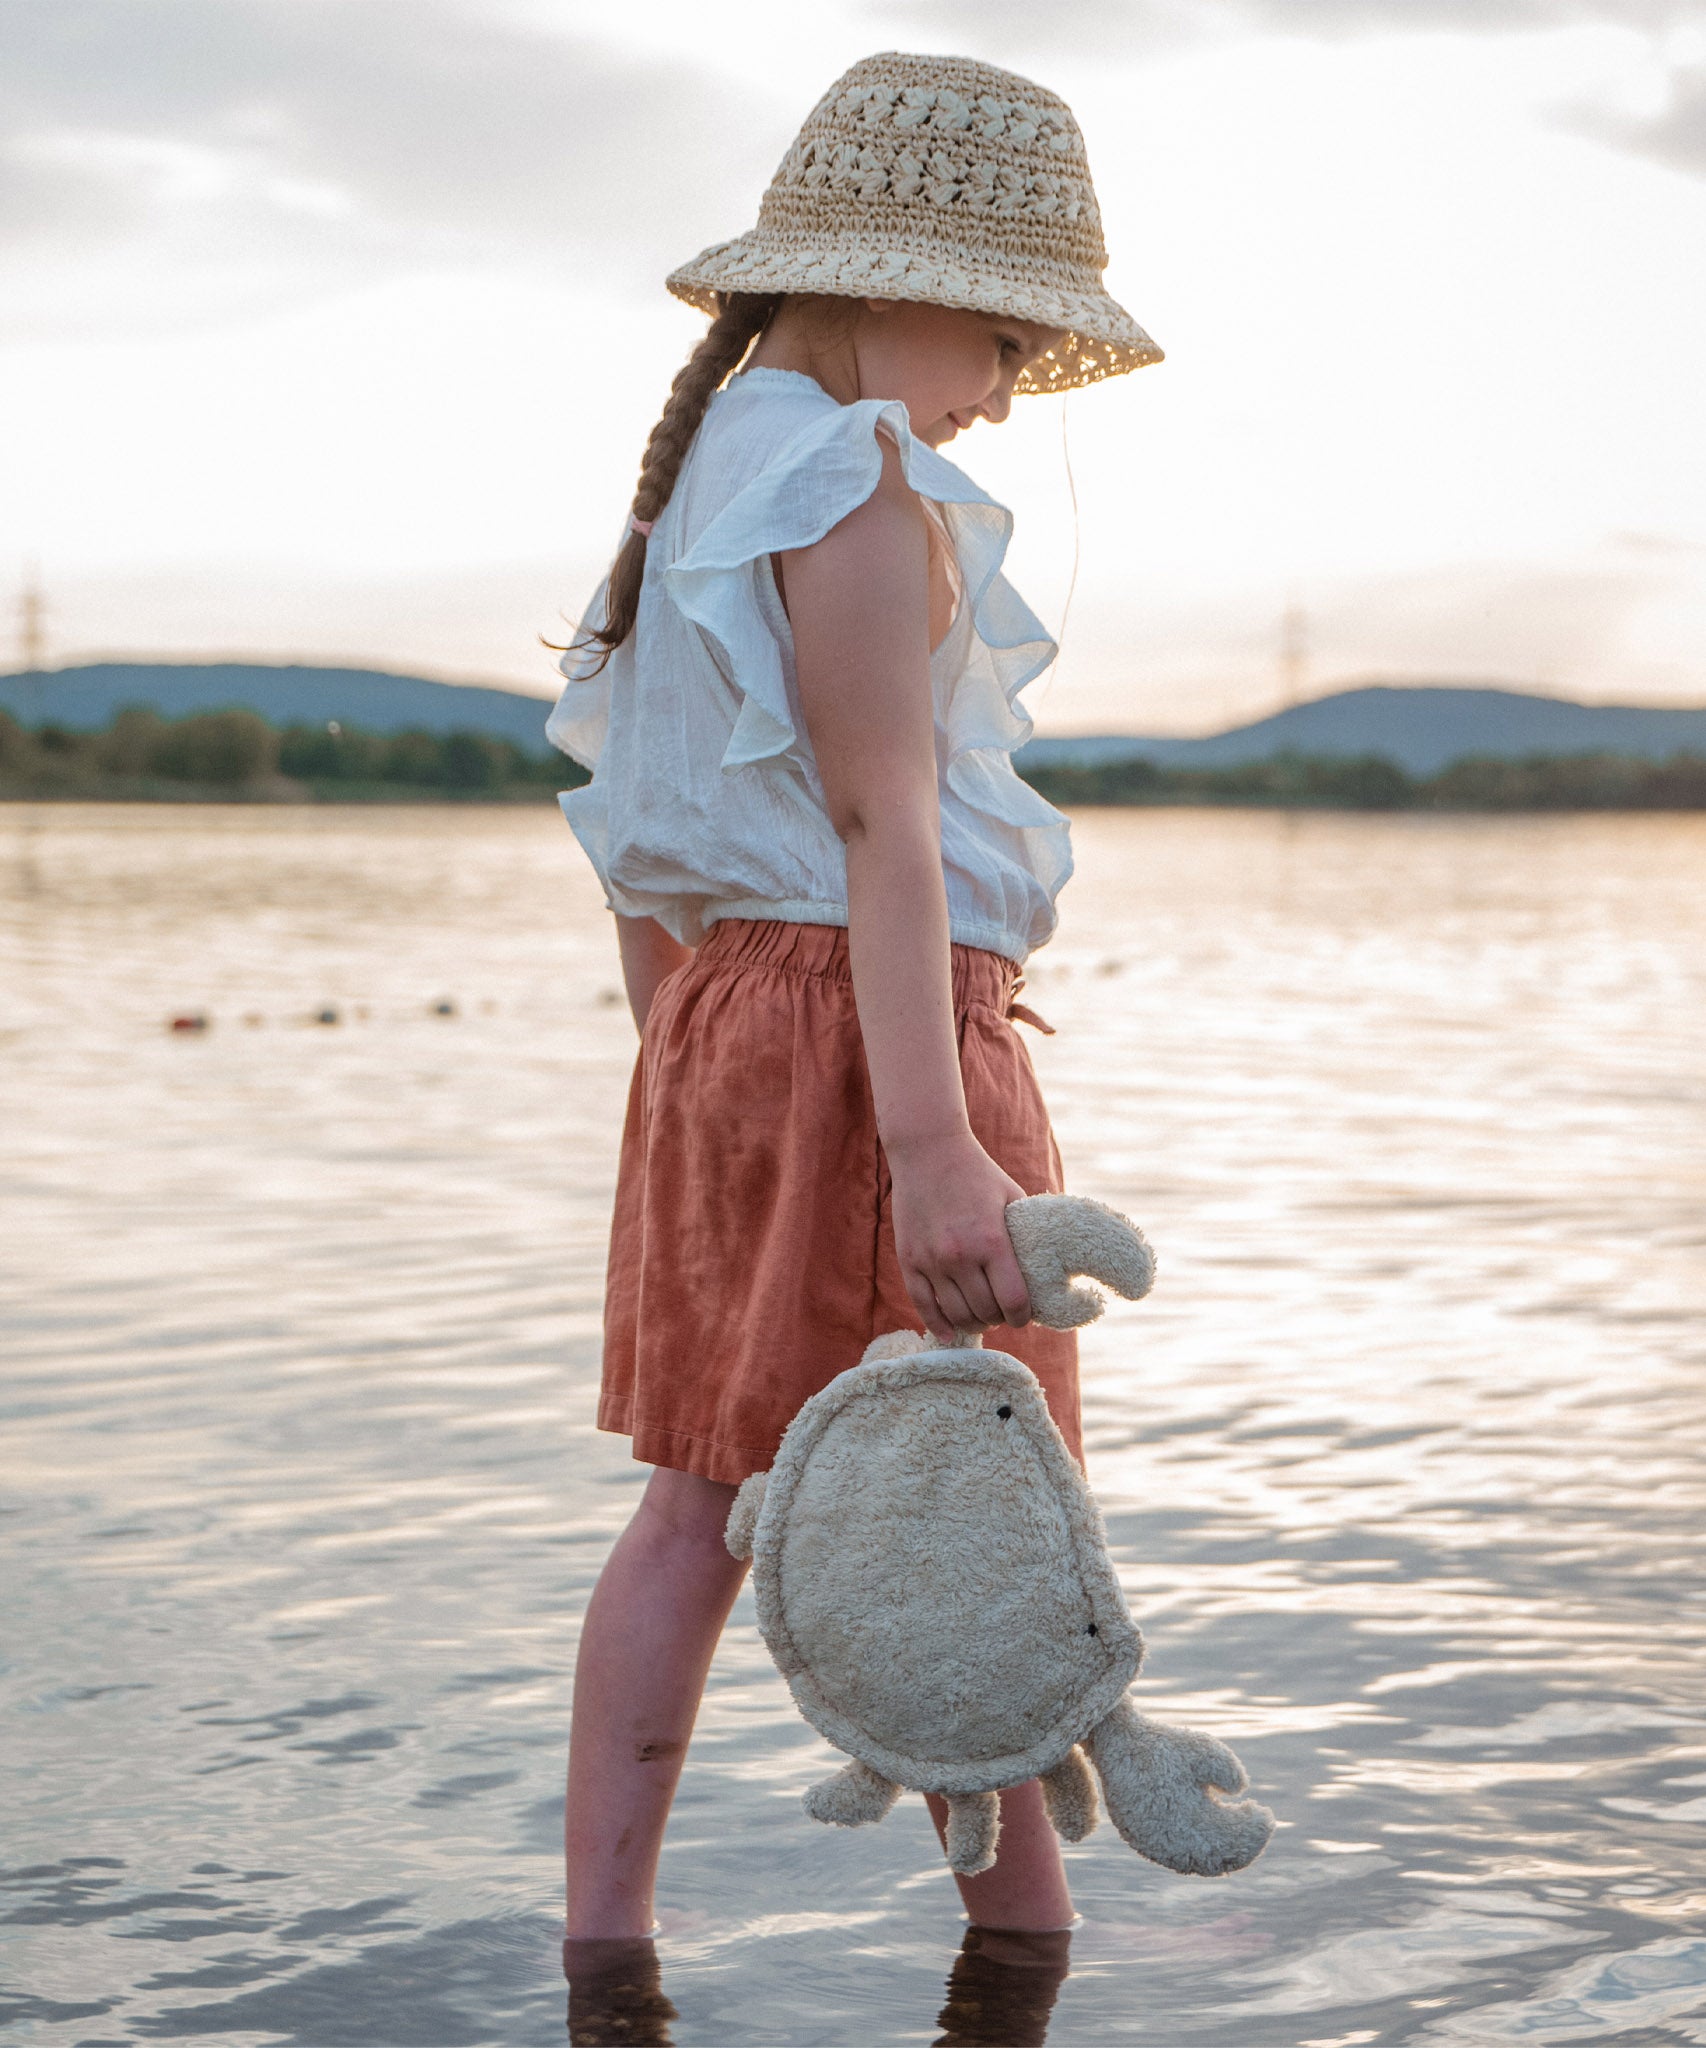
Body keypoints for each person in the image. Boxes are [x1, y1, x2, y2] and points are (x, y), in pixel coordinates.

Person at [548, 49, 1163, 1952]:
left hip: (723, 1026)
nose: (993, 393)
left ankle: (602, 1945)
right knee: (974, 1497)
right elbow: (883, 826)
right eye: (992, 336)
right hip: (875, 1039)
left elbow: (638, 846)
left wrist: (691, 1065)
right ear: (887, 282)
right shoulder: (852, 485)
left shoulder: (692, 493)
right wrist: (931, 1147)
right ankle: (1022, 1945)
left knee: (690, 1507)